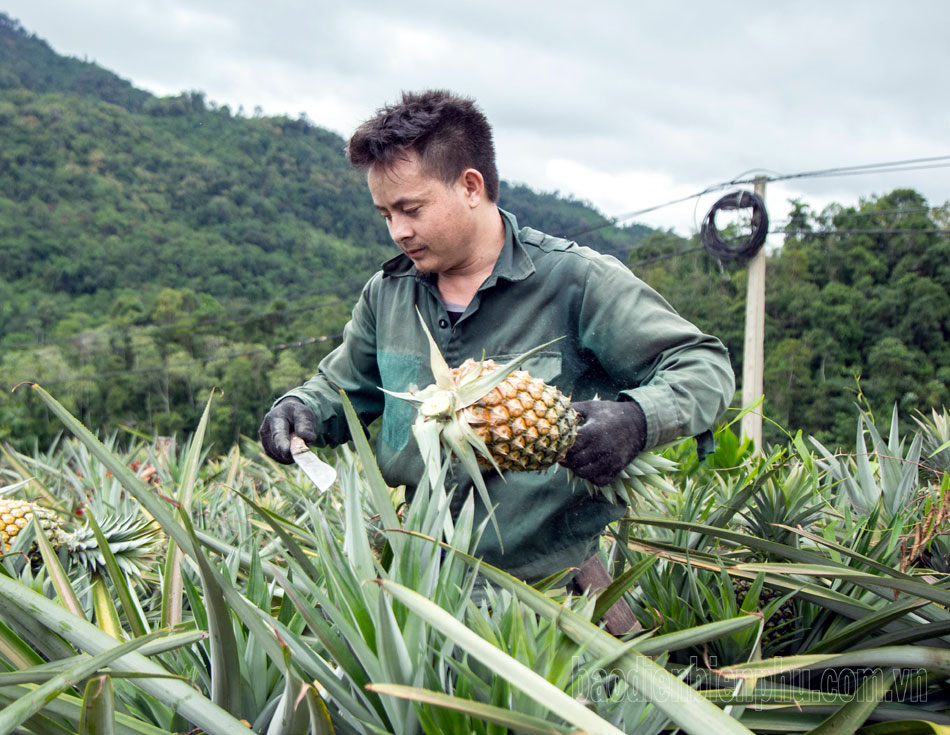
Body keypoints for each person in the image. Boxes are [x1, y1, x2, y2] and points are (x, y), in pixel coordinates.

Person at [259, 89, 735, 591]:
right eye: (385, 215)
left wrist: (639, 419)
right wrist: (300, 407)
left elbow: (702, 364)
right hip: (416, 589)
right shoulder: (387, 294)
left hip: (550, 597)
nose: (398, 231)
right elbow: (341, 387)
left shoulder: (576, 281)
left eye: (411, 209)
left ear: (470, 186)